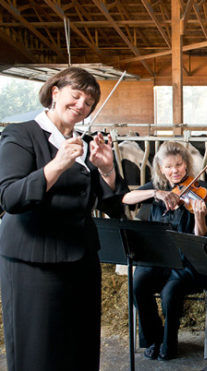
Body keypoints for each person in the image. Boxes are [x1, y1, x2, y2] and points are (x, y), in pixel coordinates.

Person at [0, 67, 128, 370]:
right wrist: (56, 166)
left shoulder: (83, 144)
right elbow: (9, 197)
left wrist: (107, 170)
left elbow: (113, 206)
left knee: (81, 347)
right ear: (55, 92)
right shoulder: (22, 134)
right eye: (76, 95)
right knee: (40, 350)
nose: (81, 105)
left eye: (89, 102)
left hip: (82, 259)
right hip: (35, 260)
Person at [122, 141, 207, 361]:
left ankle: (169, 342)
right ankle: (154, 338)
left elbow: (201, 238)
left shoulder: (201, 190)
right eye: (168, 166)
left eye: (178, 165)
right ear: (160, 168)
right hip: (160, 259)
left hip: (189, 263)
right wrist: (156, 193)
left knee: (170, 290)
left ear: (186, 165)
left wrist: (199, 217)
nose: (174, 171)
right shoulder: (156, 187)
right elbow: (126, 198)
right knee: (137, 283)